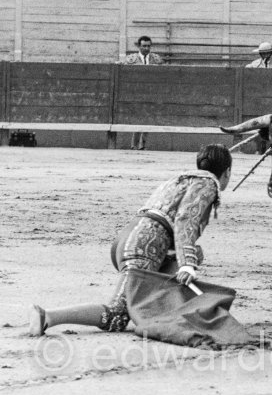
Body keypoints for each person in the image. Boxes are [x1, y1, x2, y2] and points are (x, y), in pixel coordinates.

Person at [28, 144, 232, 337]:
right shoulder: (207, 184)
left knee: (196, 254)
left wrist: (188, 259)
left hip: (131, 238)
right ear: (227, 172)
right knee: (117, 315)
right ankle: (48, 317)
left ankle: (168, 311)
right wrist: (187, 264)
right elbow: (185, 220)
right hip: (146, 244)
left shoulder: (181, 179)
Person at [123, 36, 165, 151]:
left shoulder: (156, 60)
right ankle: (134, 144)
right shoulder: (130, 60)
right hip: (136, 93)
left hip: (152, 93)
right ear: (139, 46)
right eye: (144, 46)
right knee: (138, 118)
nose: (147, 48)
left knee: (148, 119)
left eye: (148, 46)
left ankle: (143, 145)